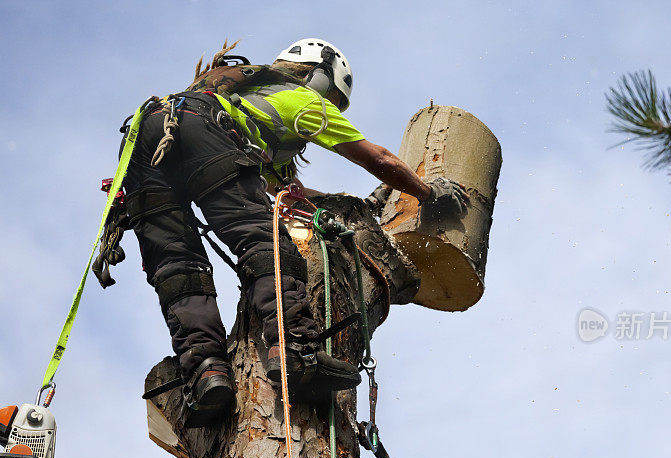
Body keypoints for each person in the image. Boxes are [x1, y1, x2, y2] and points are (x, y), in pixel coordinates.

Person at [121, 38, 469, 425]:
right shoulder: (300, 101)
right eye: (333, 99)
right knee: (262, 239)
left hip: (142, 143)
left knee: (178, 268)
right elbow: (378, 157)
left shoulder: (248, 107)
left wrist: (354, 204)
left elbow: (288, 194)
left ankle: (206, 373)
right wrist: (426, 191)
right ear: (319, 79)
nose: (332, 109)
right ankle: (295, 351)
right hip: (198, 131)